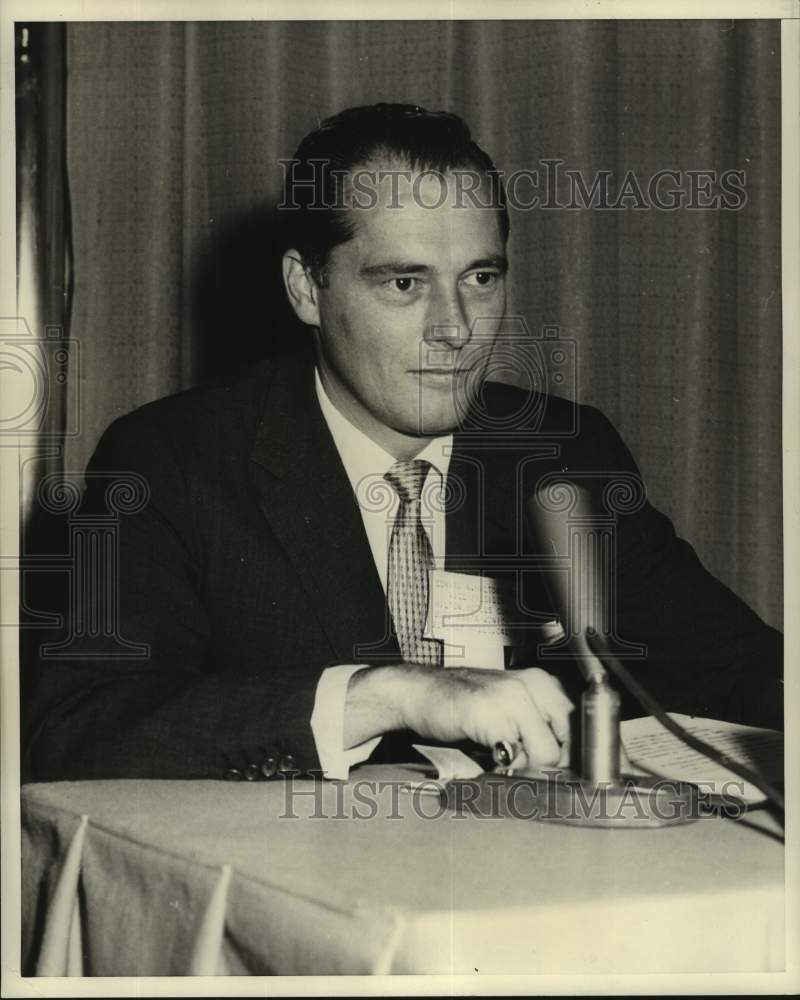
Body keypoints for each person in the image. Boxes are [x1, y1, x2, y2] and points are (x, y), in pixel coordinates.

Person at [22, 104, 782, 783]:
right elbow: (75, 731)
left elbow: (742, 667)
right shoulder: (171, 461)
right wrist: (392, 692)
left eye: (480, 278)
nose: (455, 327)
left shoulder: (562, 450)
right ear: (305, 288)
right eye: (404, 284)